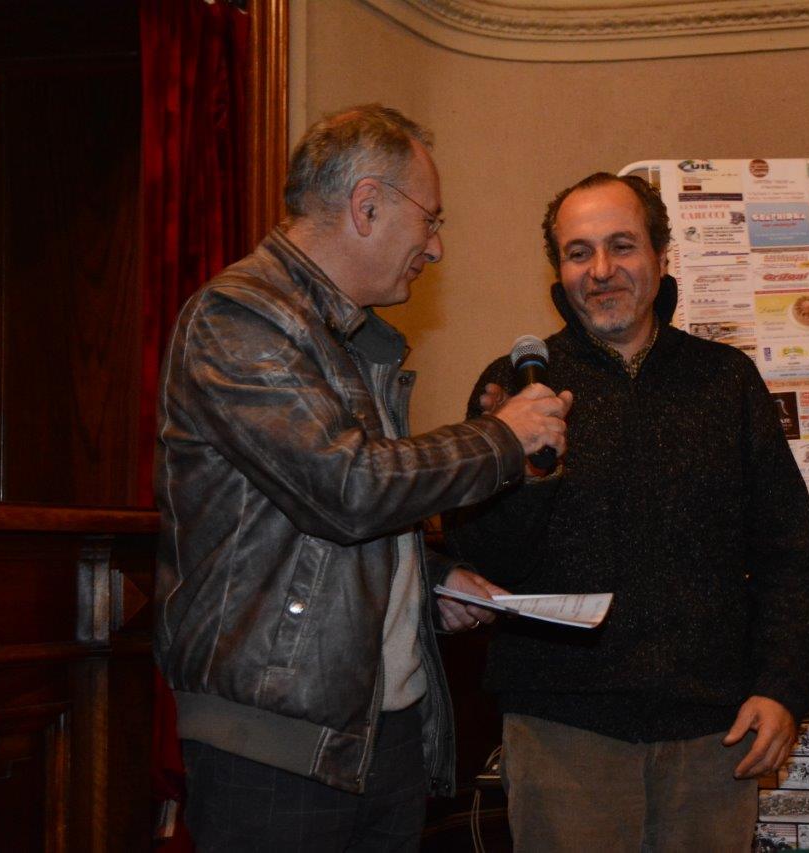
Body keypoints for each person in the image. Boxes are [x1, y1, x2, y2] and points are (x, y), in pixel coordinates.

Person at [154, 104, 572, 850]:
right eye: (431, 220)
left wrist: (429, 578)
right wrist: (502, 438)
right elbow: (347, 489)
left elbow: (319, 525)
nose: (436, 248)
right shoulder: (238, 318)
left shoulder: (348, 336)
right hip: (279, 743)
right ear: (367, 204)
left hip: (376, 733)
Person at [445, 172, 809, 852]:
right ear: (559, 269)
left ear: (659, 255)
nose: (601, 270)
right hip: (562, 735)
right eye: (579, 252)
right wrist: (527, 471)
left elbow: (792, 558)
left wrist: (783, 688)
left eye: (621, 246)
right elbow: (479, 563)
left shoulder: (725, 381)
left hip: (713, 736)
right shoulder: (514, 387)